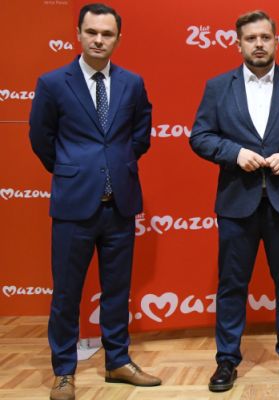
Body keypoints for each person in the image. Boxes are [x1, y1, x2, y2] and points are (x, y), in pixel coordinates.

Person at [28, 3, 162, 400]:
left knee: (117, 290)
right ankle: (64, 372)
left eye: (107, 34)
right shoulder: (53, 82)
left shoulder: (132, 82)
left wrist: (118, 163)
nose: (99, 40)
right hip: (74, 204)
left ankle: (117, 361)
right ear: (78, 34)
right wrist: (72, 168)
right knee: (66, 293)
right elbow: (41, 137)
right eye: (92, 32)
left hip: (119, 202)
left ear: (118, 38)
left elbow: (141, 133)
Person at [189, 10, 279, 392]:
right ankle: (226, 360)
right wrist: (234, 153)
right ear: (238, 44)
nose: (259, 44)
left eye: (265, 37)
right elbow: (200, 136)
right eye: (251, 38)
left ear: (276, 40)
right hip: (237, 203)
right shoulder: (218, 86)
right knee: (232, 285)